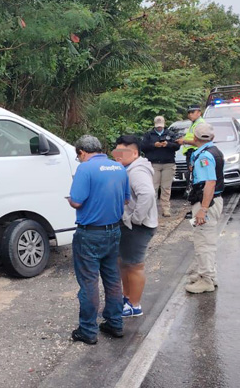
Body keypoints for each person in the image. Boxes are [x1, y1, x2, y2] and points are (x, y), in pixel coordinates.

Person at [67, 135, 130, 345]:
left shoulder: (85, 169)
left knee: (88, 282)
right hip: (114, 231)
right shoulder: (118, 167)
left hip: (90, 234)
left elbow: (76, 201)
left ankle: (88, 330)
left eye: (79, 156)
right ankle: (114, 323)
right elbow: (127, 198)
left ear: (82, 152)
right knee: (112, 279)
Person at [112, 135, 158, 318]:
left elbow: (147, 194)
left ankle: (135, 305)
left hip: (139, 227)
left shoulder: (137, 171)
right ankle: (127, 299)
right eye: (116, 152)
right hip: (131, 225)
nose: (118, 156)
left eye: (122, 152)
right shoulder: (130, 168)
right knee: (125, 263)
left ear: (135, 153)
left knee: (135, 266)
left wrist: (135, 219)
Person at [185, 122, 225, 294]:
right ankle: (208, 274)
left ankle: (206, 279)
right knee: (205, 239)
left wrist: (203, 209)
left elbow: (209, 183)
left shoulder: (204, 157)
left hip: (206, 202)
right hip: (211, 201)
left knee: (204, 242)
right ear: (212, 137)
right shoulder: (214, 151)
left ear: (195, 138)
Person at [140, 116, 180, 217]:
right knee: (153, 188)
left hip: (168, 164)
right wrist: (154, 145)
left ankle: (166, 209)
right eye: (157, 126)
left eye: (161, 126)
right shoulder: (148, 135)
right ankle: (151, 209)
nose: (159, 128)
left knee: (166, 188)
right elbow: (143, 147)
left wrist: (168, 144)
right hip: (154, 164)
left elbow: (177, 146)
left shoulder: (170, 134)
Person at [177, 105, 206, 219]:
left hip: (196, 154)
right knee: (193, 181)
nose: (189, 115)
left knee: (197, 182)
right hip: (192, 154)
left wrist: (184, 141)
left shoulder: (200, 124)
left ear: (199, 112)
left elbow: (199, 142)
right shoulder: (194, 124)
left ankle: (199, 209)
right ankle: (195, 208)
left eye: (192, 112)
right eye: (188, 112)